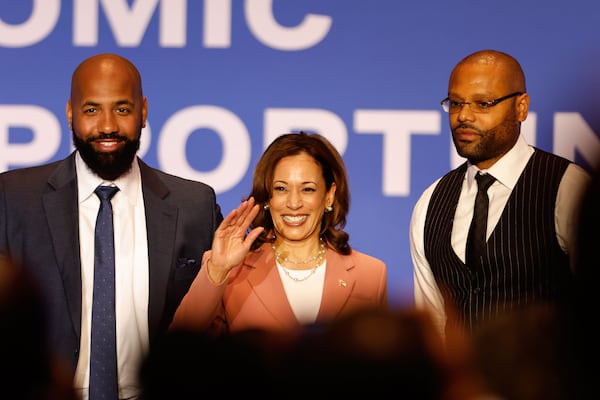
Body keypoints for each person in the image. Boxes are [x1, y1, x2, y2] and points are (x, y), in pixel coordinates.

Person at [0, 53, 223, 399]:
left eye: (122, 109)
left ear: (144, 111)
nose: (107, 126)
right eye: (91, 110)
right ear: (70, 113)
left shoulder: (194, 204)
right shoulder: (13, 198)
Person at [409, 49, 591, 341]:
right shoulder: (430, 203)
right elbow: (433, 328)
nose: (463, 116)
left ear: (521, 107)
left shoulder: (567, 188)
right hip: (465, 386)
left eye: (483, 103)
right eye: (455, 103)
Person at [170, 131, 388, 336]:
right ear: (267, 196)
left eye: (308, 189)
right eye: (281, 189)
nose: (294, 203)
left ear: (329, 196)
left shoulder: (369, 275)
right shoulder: (230, 270)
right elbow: (180, 349)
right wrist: (217, 270)